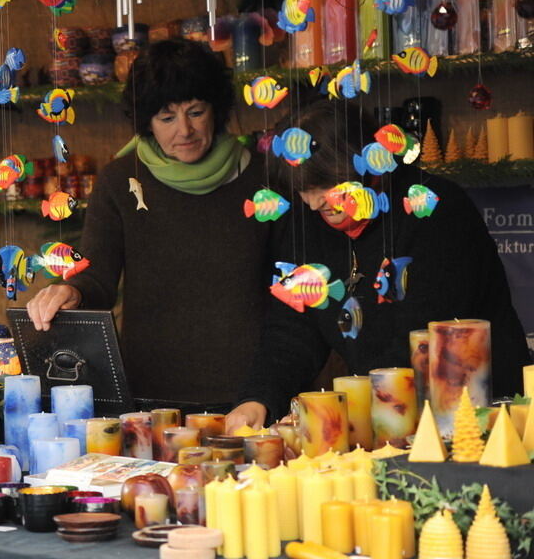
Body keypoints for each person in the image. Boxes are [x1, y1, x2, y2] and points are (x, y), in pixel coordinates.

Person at [227, 100, 530, 430]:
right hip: (390, 417)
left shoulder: (433, 209)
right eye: (303, 189)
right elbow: (292, 327)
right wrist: (259, 398)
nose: (314, 203)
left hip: (483, 417)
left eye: (324, 187)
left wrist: (352, 412)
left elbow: (423, 335)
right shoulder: (307, 223)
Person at [26, 39, 271, 407]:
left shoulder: (261, 177)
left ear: (216, 110)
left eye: (196, 111)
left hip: (252, 394)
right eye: (167, 117)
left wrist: (270, 389)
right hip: (152, 396)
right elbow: (97, 277)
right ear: (147, 123)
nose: (184, 130)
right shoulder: (121, 181)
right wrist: (70, 291)